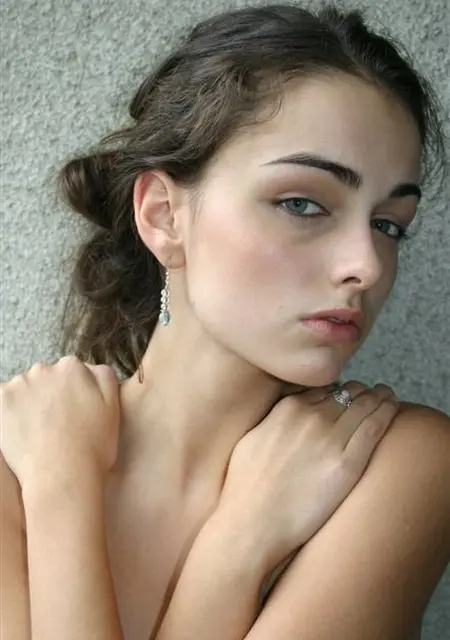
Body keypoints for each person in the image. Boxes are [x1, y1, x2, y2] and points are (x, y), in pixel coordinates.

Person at [1, 3, 449, 640]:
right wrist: (63, 486)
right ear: (164, 216)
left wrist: (232, 547)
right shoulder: (21, 466)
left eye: (388, 225)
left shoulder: (396, 464)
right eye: (302, 204)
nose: (367, 265)